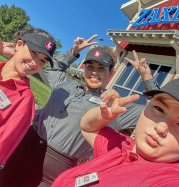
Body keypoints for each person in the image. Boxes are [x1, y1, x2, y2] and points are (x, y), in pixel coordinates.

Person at [0, 35, 158, 187]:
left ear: (110, 73)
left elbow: (155, 115)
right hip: (21, 147)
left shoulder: (114, 105)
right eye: (90, 67)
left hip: (51, 172)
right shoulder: (66, 84)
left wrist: (147, 79)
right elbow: (53, 68)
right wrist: (74, 51)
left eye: (101, 68)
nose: (94, 72)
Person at [51, 77, 179, 187]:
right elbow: (87, 127)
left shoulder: (173, 179)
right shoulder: (123, 146)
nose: (161, 128)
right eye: (159, 109)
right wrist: (102, 116)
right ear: (145, 108)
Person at [0, 27, 56, 169]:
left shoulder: (24, 99)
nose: (35, 63)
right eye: (34, 53)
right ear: (19, 45)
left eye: (43, 61)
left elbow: (4, 144)